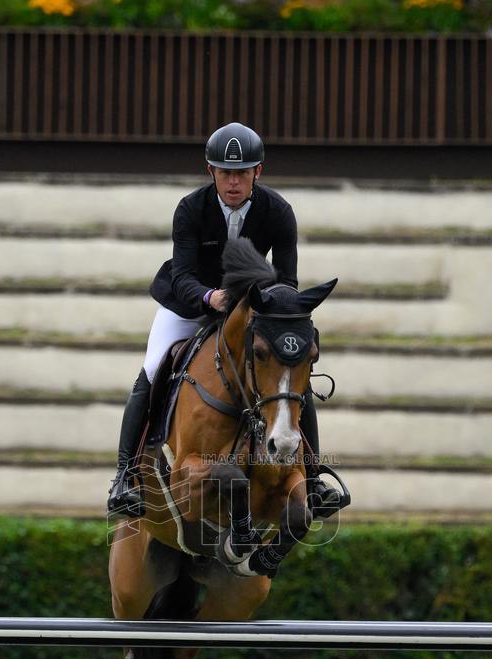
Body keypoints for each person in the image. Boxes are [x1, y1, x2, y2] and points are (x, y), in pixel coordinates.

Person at [107, 121, 341, 518]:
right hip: (189, 305)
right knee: (151, 369)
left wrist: (264, 311)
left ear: (257, 172)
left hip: (251, 307)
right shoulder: (190, 209)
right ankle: (125, 477)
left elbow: (287, 281)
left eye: (242, 173)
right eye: (226, 172)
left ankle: (314, 478)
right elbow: (181, 275)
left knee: (290, 373)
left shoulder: (279, 212)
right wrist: (209, 296)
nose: (234, 182)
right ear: (210, 171)